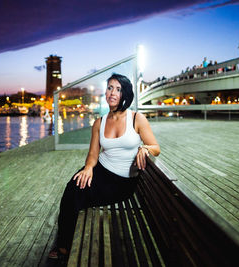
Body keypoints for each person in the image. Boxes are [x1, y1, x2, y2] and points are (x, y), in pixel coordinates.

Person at [49, 73, 160, 260]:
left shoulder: (137, 119)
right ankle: (65, 245)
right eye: (110, 88)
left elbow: (156, 148)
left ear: (125, 94)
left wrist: (145, 148)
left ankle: (67, 243)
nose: (113, 92)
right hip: (101, 170)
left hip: (122, 183)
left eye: (118, 89)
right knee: (73, 188)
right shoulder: (99, 123)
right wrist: (88, 168)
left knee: (79, 194)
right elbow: (93, 154)